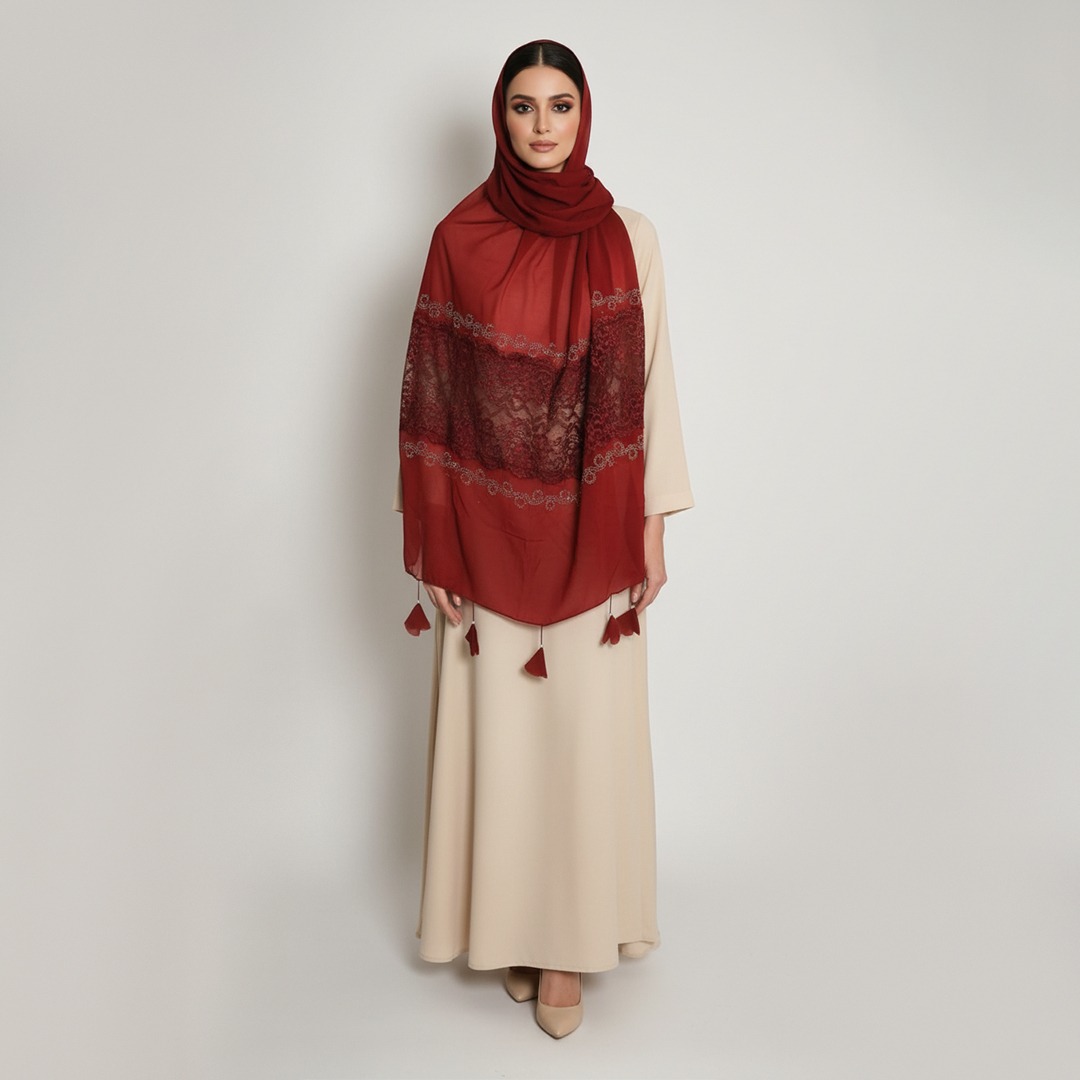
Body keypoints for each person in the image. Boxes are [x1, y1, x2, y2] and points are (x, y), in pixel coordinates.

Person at [396, 39, 693, 1039]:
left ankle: (568, 947)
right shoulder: (457, 237)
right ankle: (515, 928)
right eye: (523, 106)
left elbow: (651, 385)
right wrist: (431, 540)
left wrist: (652, 523)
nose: (542, 126)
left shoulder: (629, 237)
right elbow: (432, 397)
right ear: (500, 117)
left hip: (594, 530)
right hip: (485, 531)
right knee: (508, 745)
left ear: (584, 113)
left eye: (560, 105)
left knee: (578, 741)